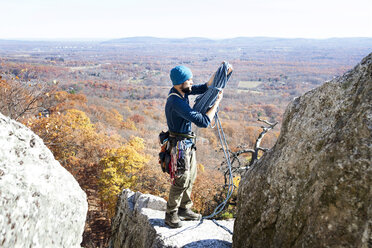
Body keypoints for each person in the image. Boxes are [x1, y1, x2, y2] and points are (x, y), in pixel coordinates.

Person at [164, 65, 223, 228]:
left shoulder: (182, 91)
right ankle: (171, 214)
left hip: (187, 143)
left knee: (191, 177)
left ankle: (184, 208)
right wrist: (216, 103)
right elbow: (203, 121)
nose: (191, 82)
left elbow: (204, 87)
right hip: (179, 145)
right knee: (181, 179)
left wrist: (219, 73)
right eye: (188, 80)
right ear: (180, 82)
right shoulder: (176, 101)